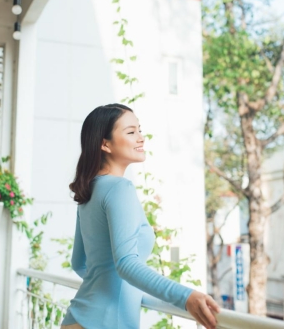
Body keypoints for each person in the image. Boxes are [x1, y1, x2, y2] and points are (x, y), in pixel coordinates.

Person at [61, 104, 220, 329]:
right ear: (105, 144)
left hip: (78, 318)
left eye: (139, 130)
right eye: (131, 132)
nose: (141, 138)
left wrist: (129, 293)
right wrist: (186, 297)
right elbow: (126, 264)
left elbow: (79, 263)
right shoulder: (119, 188)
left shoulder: (90, 191)